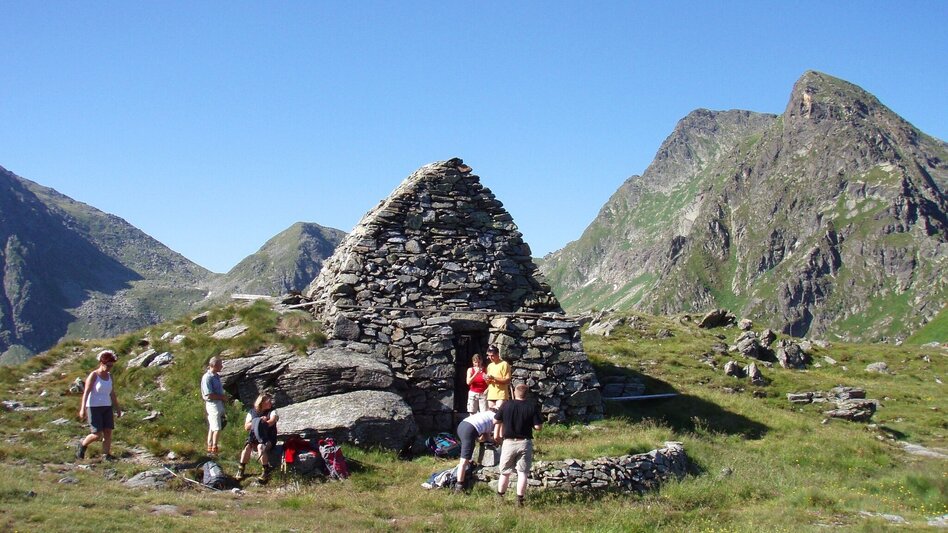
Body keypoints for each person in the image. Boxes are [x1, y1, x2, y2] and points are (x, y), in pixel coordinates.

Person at [493, 383, 543, 507]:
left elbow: (495, 420)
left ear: (515, 392)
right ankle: (519, 500)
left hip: (509, 442)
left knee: (505, 472)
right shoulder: (532, 407)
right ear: (527, 394)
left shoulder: (506, 405)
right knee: (522, 472)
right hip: (524, 442)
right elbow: (538, 427)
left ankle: (500, 497)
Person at [76, 350, 121, 461]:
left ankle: (106, 455)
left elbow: (112, 392)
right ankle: (82, 445)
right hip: (93, 407)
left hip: (106, 406)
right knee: (97, 434)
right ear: (101, 363)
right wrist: (82, 409)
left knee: (108, 432)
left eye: (111, 366)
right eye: (107, 365)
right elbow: (86, 392)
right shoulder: (94, 375)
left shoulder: (110, 376)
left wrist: (117, 408)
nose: (109, 368)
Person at [237, 393, 279, 483]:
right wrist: (258, 421)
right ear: (262, 402)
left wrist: (262, 422)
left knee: (261, 446)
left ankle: (265, 470)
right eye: (268, 401)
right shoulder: (252, 412)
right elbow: (246, 426)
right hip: (254, 438)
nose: (271, 403)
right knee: (247, 446)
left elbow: (271, 421)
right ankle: (241, 468)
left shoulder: (272, 411)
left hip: (268, 438)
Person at [453, 408, 497, 493]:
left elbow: (486, 437)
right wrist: (497, 442)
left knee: (468, 455)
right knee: (463, 460)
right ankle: (459, 487)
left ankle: (465, 475)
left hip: (462, 425)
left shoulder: (485, 415)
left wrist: (488, 440)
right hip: (470, 430)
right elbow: (494, 437)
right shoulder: (495, 417)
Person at [201, 356, 227, 454]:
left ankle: (210, 446)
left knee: (213, 426)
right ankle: (214, 448)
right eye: (220, 364)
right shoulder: (207, 377)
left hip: (218, 403)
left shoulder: (216, 376)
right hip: (213, 404)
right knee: (217, 427)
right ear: (215, 365)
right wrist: (222, 397)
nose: (222, 366)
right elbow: (209, 394)